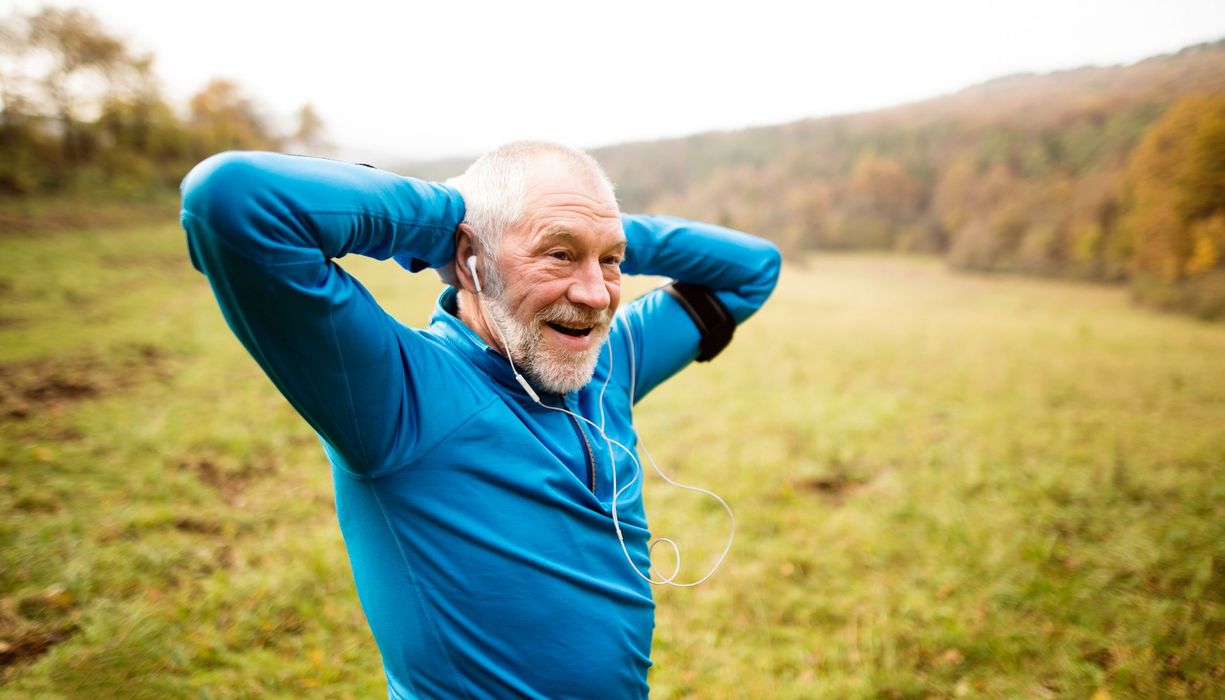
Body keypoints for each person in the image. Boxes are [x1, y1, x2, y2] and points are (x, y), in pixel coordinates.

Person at [179, 141, 781, 699]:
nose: (598, 295)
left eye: (611, 263)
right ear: (468, 259)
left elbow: (754, 268)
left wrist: (597, 233)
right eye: (558, 254)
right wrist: (453, 222)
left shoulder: (606, 364)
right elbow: (231, 199)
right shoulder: (401, 394)